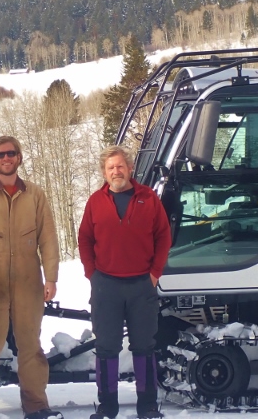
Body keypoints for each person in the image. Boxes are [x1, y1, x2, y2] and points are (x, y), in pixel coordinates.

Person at [0, 135, 62, 419]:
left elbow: (49, 239)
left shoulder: (35, 194)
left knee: (30, 346)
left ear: (19, 158)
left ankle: (36, 405)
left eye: (11, 153)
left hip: (28, 282)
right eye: (0, 155)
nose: (6, 158)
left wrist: (51, 277)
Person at [78, 146, 172, 419]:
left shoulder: (148, 198)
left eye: (120, 166)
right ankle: (107, 406)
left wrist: (154, 273)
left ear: (130, 168)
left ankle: (148, 406)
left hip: (141, 285)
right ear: (104, 173)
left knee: (144, 346)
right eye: (110, 168)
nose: (116, 172)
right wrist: (91, 273)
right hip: (106, 285)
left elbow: (163, 237)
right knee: (106, 347)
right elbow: (84, 238)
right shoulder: (95, 201)